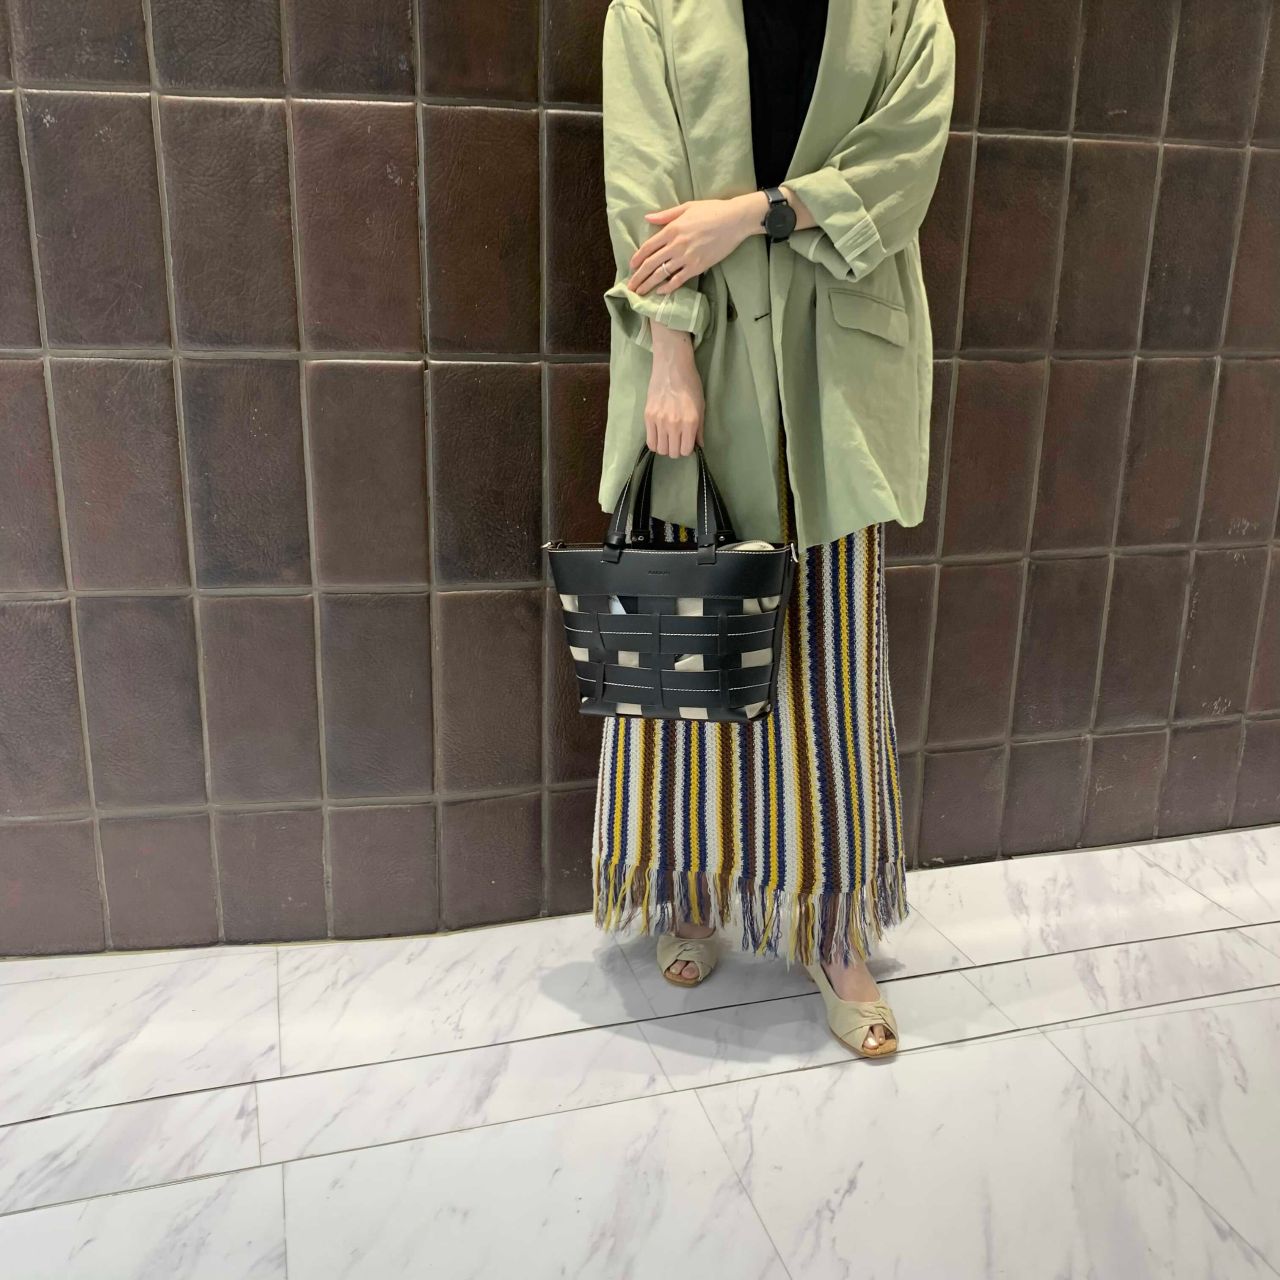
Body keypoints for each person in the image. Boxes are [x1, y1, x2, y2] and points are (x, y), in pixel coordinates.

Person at [593, 0, 955, 1057]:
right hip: (703, 362)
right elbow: (642, 183)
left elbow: (902, 166)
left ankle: (832, 928)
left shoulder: (904, 9)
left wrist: (755, 213)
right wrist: (668, 354)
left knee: (832, 667)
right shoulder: (652, 7)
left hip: (838, 370)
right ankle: (692, 890)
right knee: (696, 652)